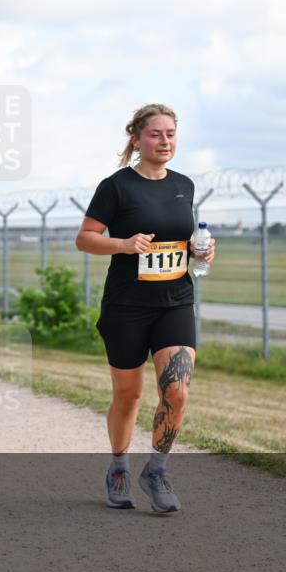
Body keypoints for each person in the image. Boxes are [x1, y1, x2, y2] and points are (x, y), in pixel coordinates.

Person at [75, 103, 216, 514]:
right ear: (136, 139)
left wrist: (201, 251)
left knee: (177, 390)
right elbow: (84, 238)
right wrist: (122, 244)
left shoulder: (184, 185)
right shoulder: (116, 186)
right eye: (155, 134)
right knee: (128, 395)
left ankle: (156, 470)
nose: (165, 141)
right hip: (126, 306)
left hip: (175, 300)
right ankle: (119, 466)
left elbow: (184, 240)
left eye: (171, 133)